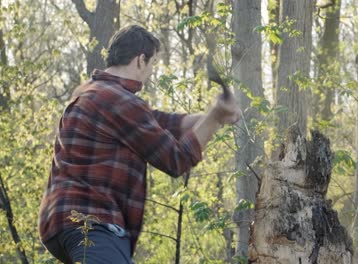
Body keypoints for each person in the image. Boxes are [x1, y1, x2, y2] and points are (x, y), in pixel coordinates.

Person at [38, 24, 240, 263]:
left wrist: (212, 115)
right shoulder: (119, 100)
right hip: (93, 224)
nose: (151, 71)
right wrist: (216, 118)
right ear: (140, 60)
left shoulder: (92, 93)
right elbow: (176, 160)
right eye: (152, 63)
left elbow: (161, 122)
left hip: (62, 224)